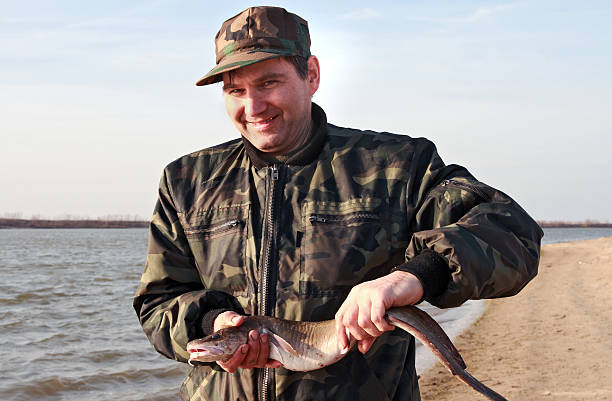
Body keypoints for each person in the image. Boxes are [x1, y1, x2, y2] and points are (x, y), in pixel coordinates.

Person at [134, 6, 543, 401]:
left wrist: (413, 277)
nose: (253, 108)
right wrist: (214, 324)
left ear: (311, 75)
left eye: (268, 84)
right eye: (235, 90)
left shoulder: (395, 165)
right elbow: (158, 303)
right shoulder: (187, 181)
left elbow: (512, 232)